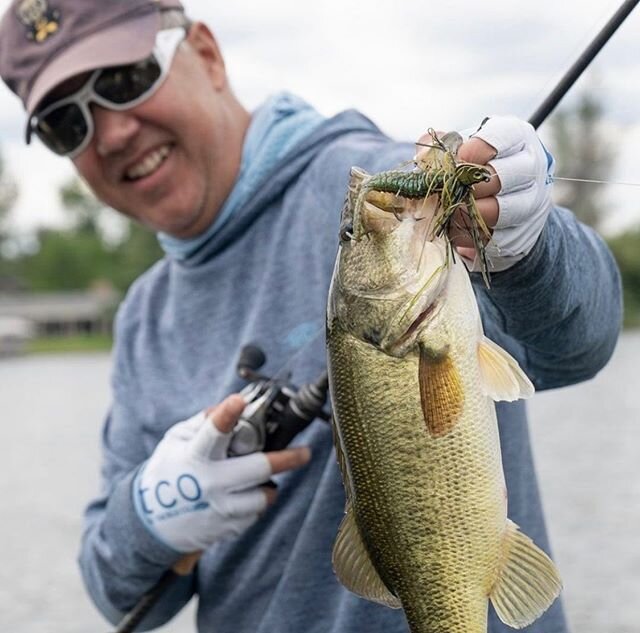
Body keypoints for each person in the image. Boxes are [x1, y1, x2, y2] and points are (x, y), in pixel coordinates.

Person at [0, 1, 622, 632]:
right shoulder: (142, 320)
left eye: (124, 80)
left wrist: (529, 247)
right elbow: (120, 594)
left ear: (207, 55)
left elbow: (580, 344)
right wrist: (151, 514)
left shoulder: (386, 201)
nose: (110, 134)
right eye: (63, 126)